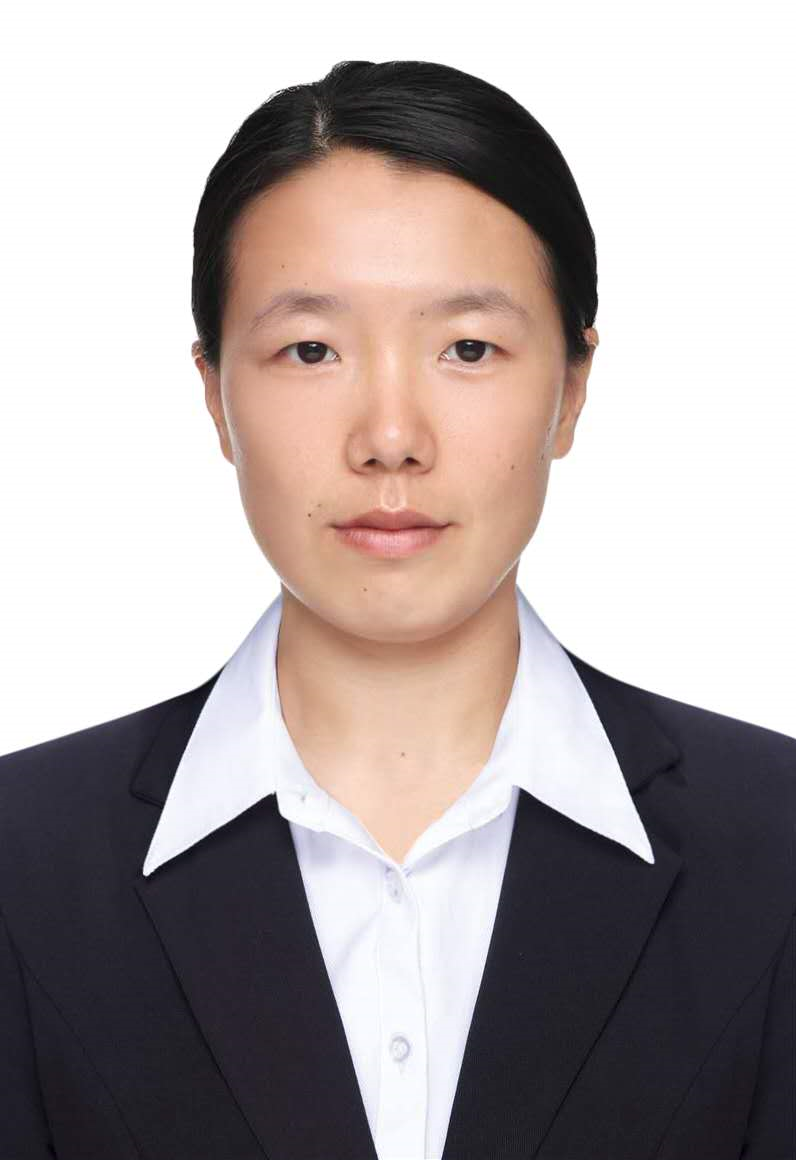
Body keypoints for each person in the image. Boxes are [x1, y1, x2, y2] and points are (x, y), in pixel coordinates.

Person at [1, 58, 793, 1160]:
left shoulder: (776, 845)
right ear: (214, 393)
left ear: (570, 388)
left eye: (467, 348)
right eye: (310, 349)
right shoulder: (24, 861)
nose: (389, 437)